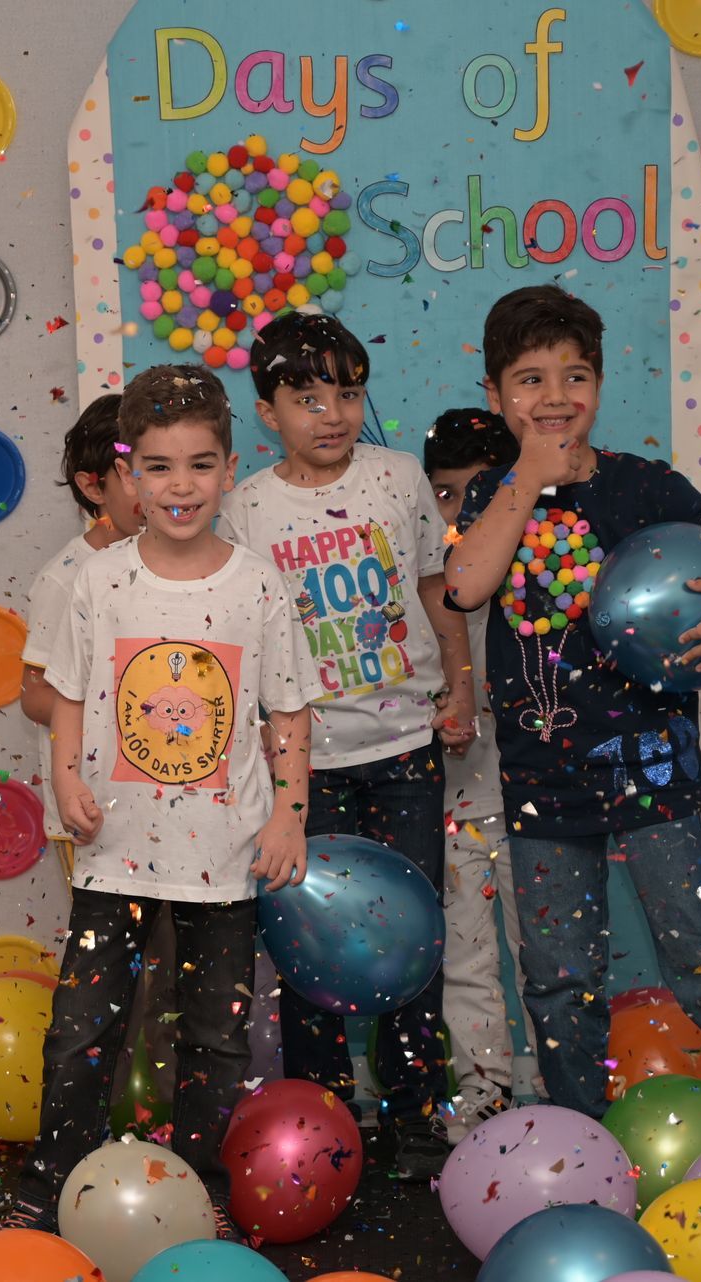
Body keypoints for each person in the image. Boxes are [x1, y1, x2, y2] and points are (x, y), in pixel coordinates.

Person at [441, 286, 701, 1141]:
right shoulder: (490, 499)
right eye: (530, 379)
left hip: (652, 764)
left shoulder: (642, 484)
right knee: (557, 972)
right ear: (496, 393)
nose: (553, 398)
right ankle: (581, 1126)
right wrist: (525, 481)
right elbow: (466, 585)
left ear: (601, 382)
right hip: (544, 777)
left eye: (573, 376)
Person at [1, 364, 313, 1234]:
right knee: (83, 1031)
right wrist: (66, 776)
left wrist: (289, 813)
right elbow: (65, 691)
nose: (182, 487)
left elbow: (289, 710)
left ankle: (197, 1182)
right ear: (128, 475)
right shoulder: (101, 581)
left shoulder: (255, 583)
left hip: (225, 855)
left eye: (202, 465)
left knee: (216, 1037)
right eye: (162, 468)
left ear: (228, 466)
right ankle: (53, 1174)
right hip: (115, 851)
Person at [216, 309, 473, 1178]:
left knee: (414, 935)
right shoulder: (246, 507)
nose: (331, 413)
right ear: (267, 411)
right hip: (306, 765)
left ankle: (418, 1113)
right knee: (308, 947)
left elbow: (440, 592)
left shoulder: (399, 479)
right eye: (308, 397)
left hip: (404, 749)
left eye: (349, 393)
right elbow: (240, 638)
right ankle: (322, 1116)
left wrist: (460, 685)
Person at [424, 407, 546, 1142]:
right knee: (466, 958)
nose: (463, 508)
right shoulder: (429, 586)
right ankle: (485, 1089)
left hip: (538, 806)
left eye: (480, 488)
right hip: (458, 801)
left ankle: (558, 1083)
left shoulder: (540, 575)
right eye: (445, 492)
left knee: (548, 957)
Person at [20, 393, 142, 876]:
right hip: (91, 811)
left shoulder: (178, 566)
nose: (157, 488)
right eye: (135, 473)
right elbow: (34, 697)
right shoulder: (66, 578)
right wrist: (121, 705)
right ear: (93, 488)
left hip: (162, 804)